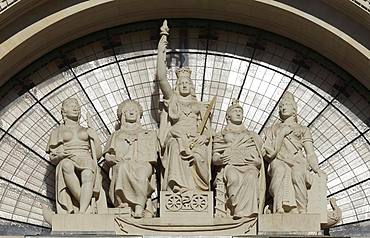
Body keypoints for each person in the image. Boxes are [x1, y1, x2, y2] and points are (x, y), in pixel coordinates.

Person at [157, 22, 212, 192]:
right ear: (177, 86)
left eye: (187, 83)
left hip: (196, 139)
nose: (184, 85)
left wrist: (204, 137)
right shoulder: (173, 99)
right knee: (174, 146)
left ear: (192, 85)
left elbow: (207, 130)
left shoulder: (199, 106)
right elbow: (162, 78)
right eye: (181, 83)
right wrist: (161, 51)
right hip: (176, 135)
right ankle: (178, 188)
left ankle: (198, 189)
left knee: (200, 154)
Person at [263, 92, 325, 214]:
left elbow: (310, 153)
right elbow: (266, 149)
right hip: (278, 159)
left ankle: (302, 209)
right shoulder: (272, 129)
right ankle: (278, 207)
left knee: (297, 175)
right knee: (279, 170)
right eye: (281, 106)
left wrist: (316, 168)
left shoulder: (303, 129)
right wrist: (281, 135)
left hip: (297, 160)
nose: (283, 108)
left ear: (294, 109)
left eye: (287, 105)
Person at [46, 98, 106, 214]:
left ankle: (82, 211)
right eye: (71, 106)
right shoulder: (57, 131)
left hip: (86, 159)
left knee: (88, 173)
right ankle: (86, 204)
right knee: (66, 165)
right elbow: (53, 157)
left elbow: (97, 155)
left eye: (77, 106)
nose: (75, 108)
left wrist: (95, 138)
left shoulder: (87, 130)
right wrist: (61, 156)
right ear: (63, 112)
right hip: (67, 158)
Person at [103, 100, 157, 218]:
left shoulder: (148, 133)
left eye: (134, 110)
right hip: (122, 163)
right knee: (122, 168)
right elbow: (107, 154)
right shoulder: (116, 135)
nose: (132, 111)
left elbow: (155, 155)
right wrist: (111, 158)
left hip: (143, 164)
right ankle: (123, 203)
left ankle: (139, 206)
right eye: (128, 110)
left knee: (142, 173)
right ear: (123, 114)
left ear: (139, 114)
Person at [213, 100, 265, 219]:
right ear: (228, 116)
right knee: (233, 178)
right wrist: (220, 159)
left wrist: (257, 162)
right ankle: (235, 205)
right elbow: (214, 156)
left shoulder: (252, 135)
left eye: (240, 111)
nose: (238, 113)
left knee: (251, 176)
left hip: (248, 165)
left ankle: (247, 213)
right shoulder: (220, 135)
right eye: (235, 111)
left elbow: (260, 155)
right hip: (230, 165)